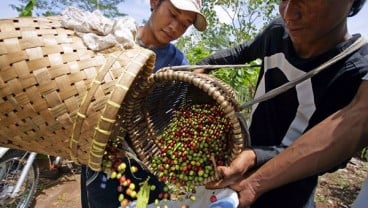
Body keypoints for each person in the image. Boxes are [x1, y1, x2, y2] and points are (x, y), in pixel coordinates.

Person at [196, 0, 368, 207]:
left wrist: (255, 157)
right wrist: (204, 66)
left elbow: (335, 151)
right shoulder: (278, 32)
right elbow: (244, 51)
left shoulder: (355, 69)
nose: (289, 13)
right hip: (235, 172)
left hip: (289, 194)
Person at [80, 0, 207, 207]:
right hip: (103, 159)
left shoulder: (178, 65)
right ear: (155, 3)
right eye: (173, 14)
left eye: (184, 24)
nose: (175, 27)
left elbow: (168, 118)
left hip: (147, 161)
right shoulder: (116, 39)